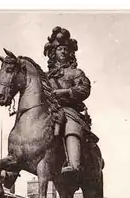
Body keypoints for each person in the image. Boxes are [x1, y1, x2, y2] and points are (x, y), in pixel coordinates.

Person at [44, 26, 95, 176]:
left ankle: (73, 166)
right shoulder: (45, 76)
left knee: (71, 127)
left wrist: (65, 92)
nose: (63, 52)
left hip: (69, 112)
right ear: (53, 52)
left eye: (66, 49)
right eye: (60, 49)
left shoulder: (76, 73)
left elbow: (84, 89)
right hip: (49, 111)